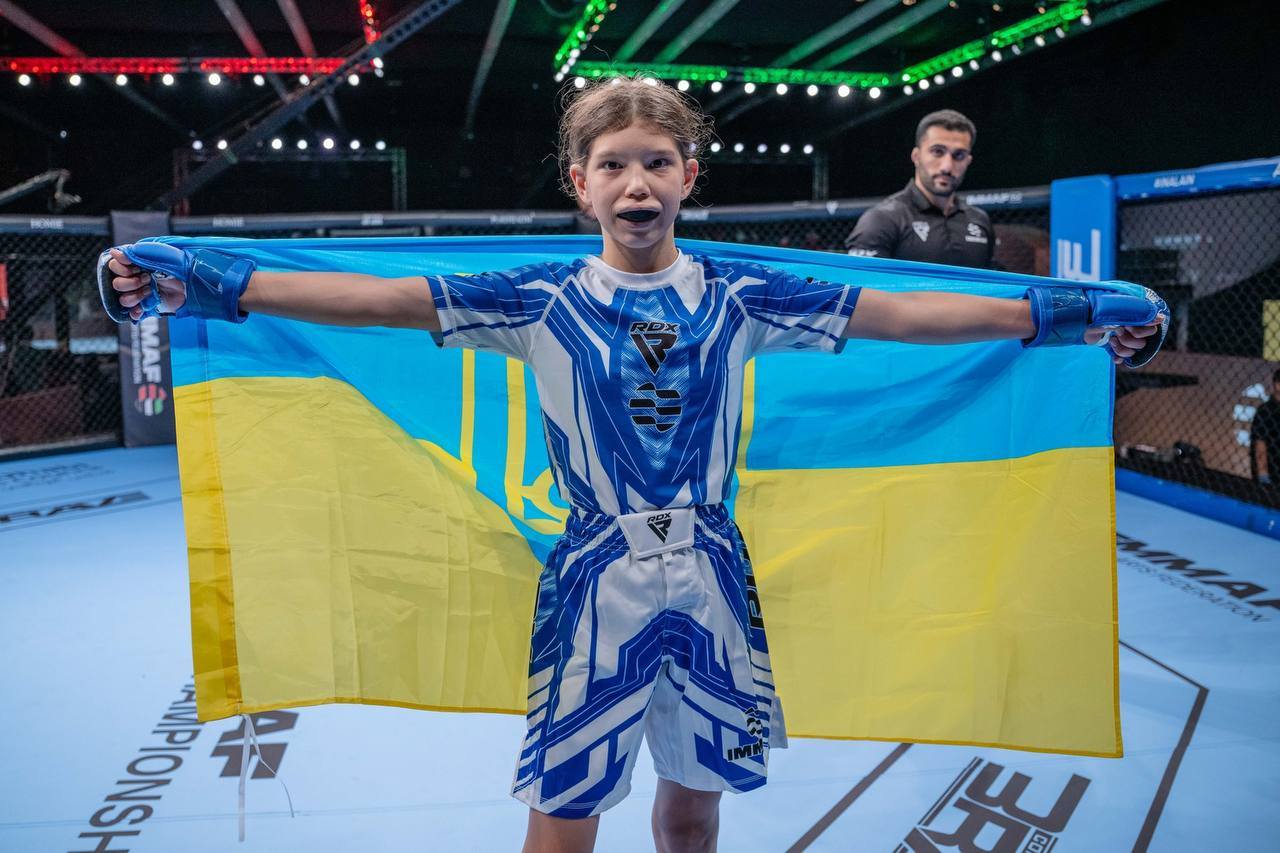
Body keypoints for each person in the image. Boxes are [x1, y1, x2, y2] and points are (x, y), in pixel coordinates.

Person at [101, 78, 1165, 853]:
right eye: (613, 163)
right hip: (593, 585)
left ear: (688, 176)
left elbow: (903, 311)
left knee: (693, 818)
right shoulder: (539, 297)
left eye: (657, 160)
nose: (636, 180)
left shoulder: (742, 295)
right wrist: (208, 282)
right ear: (581, 183)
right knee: (561, 821)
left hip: (711, 580)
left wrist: (1071, 313)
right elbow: (378, 298)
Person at [845, 109, 995, 269]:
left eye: (959, 155)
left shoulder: (980, 220)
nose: (947, 166)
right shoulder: (883, 219)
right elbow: (859, 283)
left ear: (968, 161)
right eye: (937, 152)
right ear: (916, 156)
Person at [1251, 368, 1280, 487]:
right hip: (1273, 473)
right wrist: (1263, 474)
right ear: (1277, 385)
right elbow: (1260, 443)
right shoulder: (1265, 411)